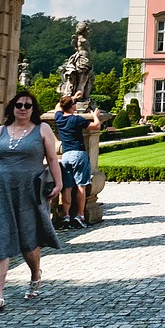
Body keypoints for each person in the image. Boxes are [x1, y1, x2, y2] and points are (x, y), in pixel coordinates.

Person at [0, 92, 62, 315]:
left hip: (28, 193)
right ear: (12, 108)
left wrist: (58, 183)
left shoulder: (42, 129)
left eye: (27, 105)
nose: (23, 108)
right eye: (19, 104)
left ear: (33, 108)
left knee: (29, 242)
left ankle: (35, 274)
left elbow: (53, 159)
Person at [52, 95, 101, 229]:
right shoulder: (77, 119)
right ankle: (80, 216)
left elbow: (58, 106)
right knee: (81, 186)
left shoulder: (59, 118)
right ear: (72, 106)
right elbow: (96, 126)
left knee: (67, 187)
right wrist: (95, 115)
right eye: (74, 103)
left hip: (66, 155)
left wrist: (71, 97)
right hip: (79, 154)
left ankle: (66, 216)